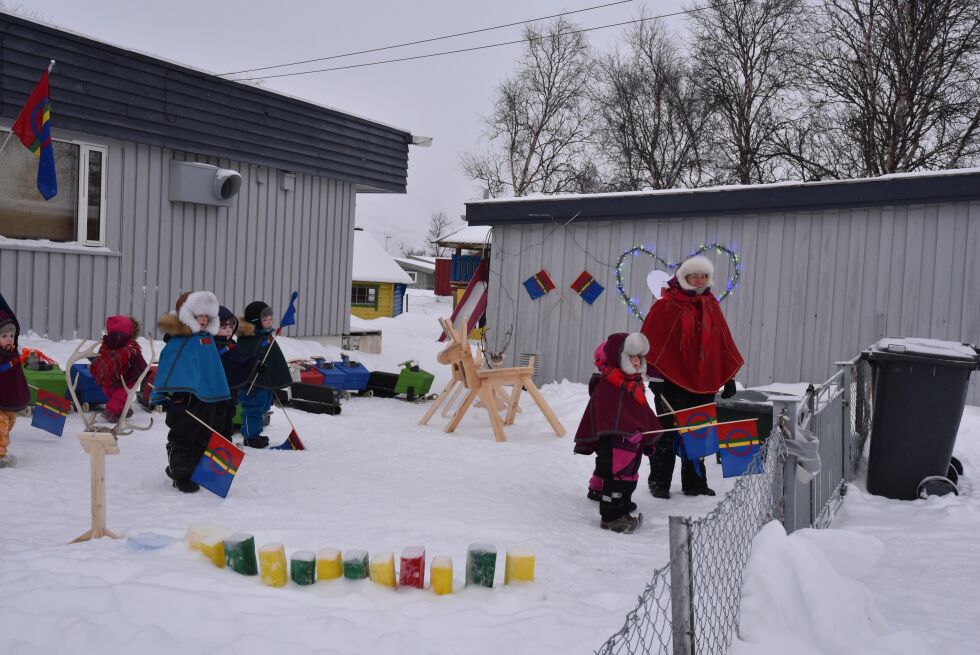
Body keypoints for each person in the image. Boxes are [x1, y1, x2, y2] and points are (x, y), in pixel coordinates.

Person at [641, 255, 743, 499]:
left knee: (697, 434)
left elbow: (722, 345)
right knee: (666, 433)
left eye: (704, 276)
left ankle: (695, 483)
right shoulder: (665, 305)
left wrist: (726, 377)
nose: (699, 280)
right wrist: (655, 380)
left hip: (703, 382)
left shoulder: (711, 306)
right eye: (694, 275)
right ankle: (659, 481)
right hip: (669, 382)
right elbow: (651, 343)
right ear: (683, 278)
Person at [574, 332, 660, 533]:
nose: (637, 362)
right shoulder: (611, 384)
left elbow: (637, 412)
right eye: (631, 357)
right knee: (617, 476)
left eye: (639, 357)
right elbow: (610, 414)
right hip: (617, 443)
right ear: (619, 357)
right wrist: (626, 430)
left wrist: (646, 430)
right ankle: (611, 516)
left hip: (630, 441)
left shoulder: (632, 382)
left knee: (629, 474)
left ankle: (621, 506)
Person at [154, 291, 231, 493]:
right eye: (199, 315)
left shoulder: (207, 340)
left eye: (207, 316)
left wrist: (220, 396)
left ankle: (196, 470)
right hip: (185, 398)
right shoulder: (179, 342)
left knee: (203, 435)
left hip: (207, 399)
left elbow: (214, 371)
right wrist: (168, 392)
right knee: (184, 436)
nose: (204, 320)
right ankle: (181, 474)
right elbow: (168, 366)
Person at [235, 301, 292, 449]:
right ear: (255, 321)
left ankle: (255, 433)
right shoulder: (248, 339)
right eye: (265, 320)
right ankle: (250, 437)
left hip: (264, 381)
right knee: (253, 409)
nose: (269, 322)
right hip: (253, 383)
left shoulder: (265, 336)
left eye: (270, 319)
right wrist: (254, 366)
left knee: (262, 407)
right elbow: (243, 359)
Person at [90, 315, 148, 422]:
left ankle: (122, 410)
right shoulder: (130, 347)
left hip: (106, 379)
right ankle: (111, 412)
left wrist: (96, 368)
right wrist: (146, 372)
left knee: (114, 396)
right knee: (120, 397)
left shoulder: (105, 345)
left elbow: (99, 359)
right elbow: (140, 363)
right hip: (126, 380)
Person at [214, 306, 257, 440]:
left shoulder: (232, 344)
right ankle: (214, 443)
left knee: (230, 415)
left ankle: (226, 440)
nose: (228, 331)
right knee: (217, 418)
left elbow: (239, 362)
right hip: (215, 392)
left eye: (230, 327)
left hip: (230, 392)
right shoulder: (210, 346)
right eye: (223, 327)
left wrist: (254, 365)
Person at [0, 298, 29, 468]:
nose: (9, 339)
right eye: (4, 336)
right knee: (1, 424)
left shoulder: (11, 352)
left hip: (8, 398)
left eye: (11, 336)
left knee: (10, 421)